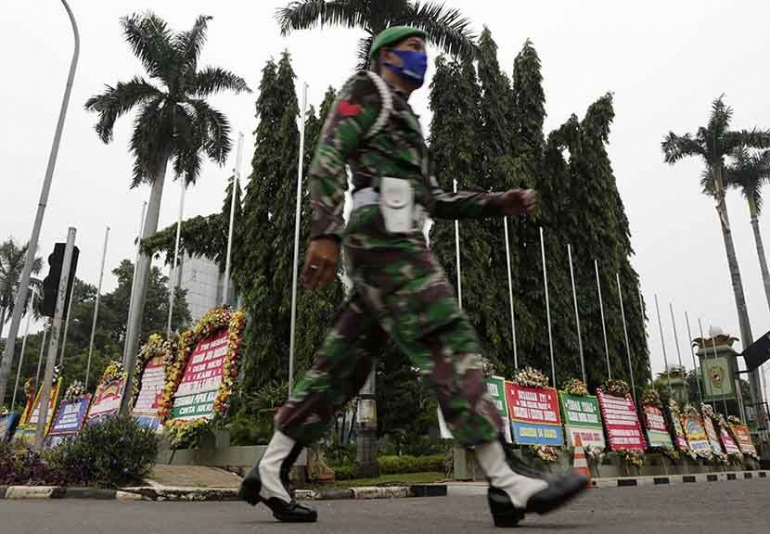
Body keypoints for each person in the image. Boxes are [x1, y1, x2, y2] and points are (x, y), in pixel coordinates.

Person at [238, 26, 588, 528]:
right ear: (384, 56)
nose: (422, 57)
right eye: (412, 49)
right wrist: (324, 231)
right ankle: (507, 482)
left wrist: (495, 202)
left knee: (341, 363)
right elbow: (329, 155)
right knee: (445, 334)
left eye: (425, 50)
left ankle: (270, 469)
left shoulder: (404, 116)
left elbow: (431, 199)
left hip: (395, 239)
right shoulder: (367, 91)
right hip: (384, 241)